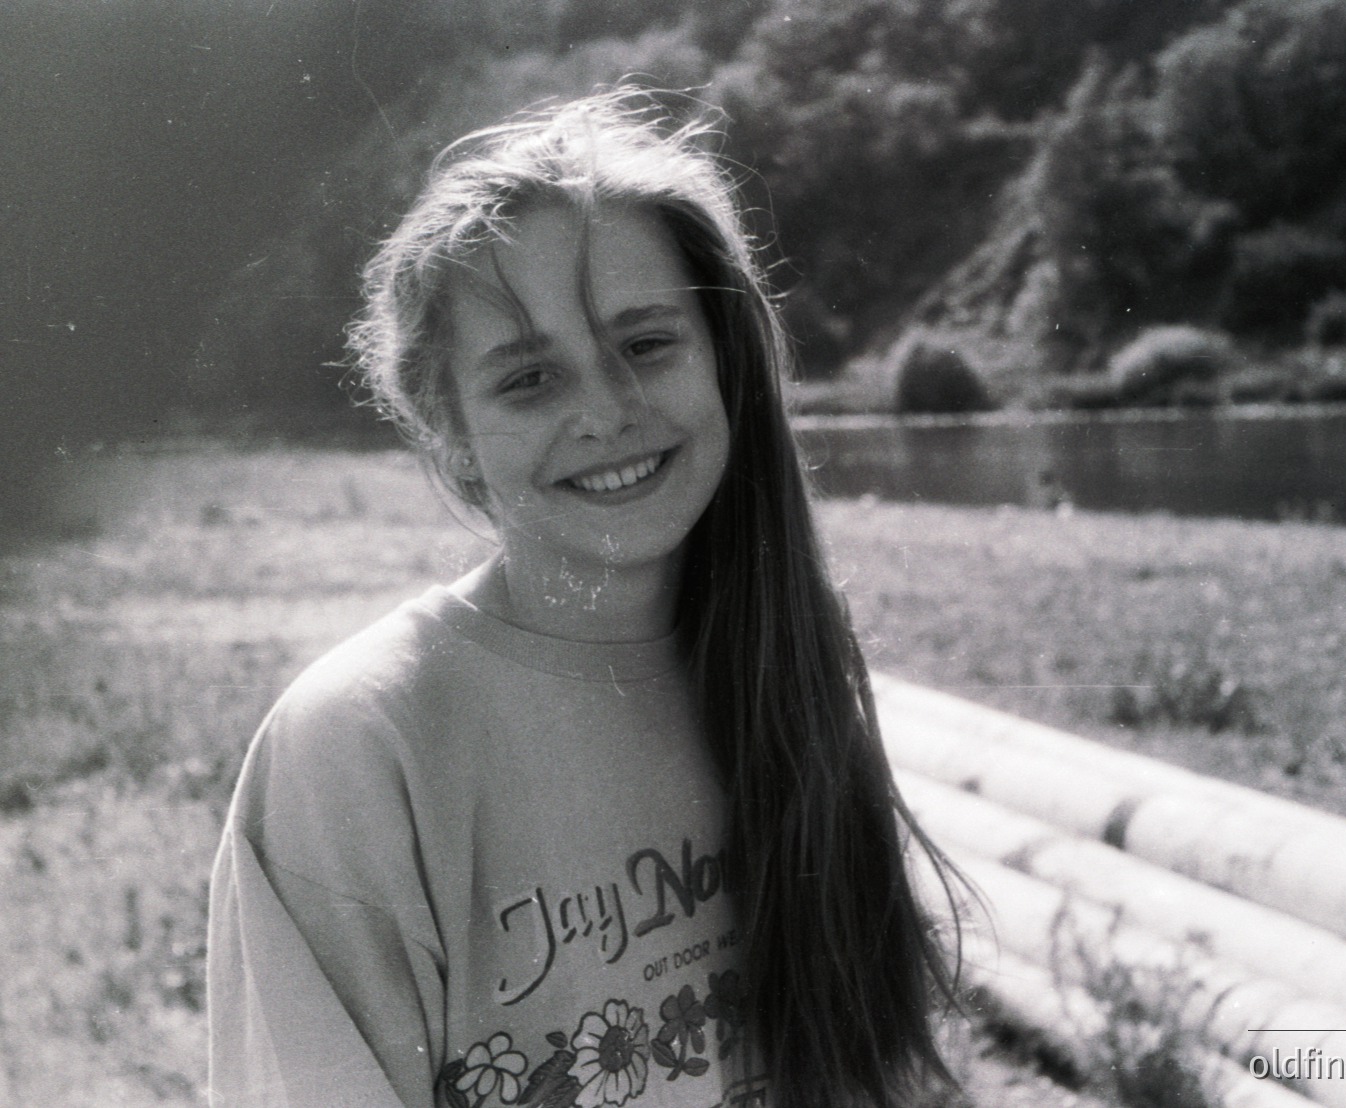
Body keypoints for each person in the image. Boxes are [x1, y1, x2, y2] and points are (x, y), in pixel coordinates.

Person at [207, 90, 964, 1108]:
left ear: (724, 360)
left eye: (646, 344)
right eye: (528, 380)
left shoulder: (787, 670)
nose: (606, 411)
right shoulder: (356, 746)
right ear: (449, 429)